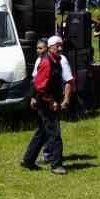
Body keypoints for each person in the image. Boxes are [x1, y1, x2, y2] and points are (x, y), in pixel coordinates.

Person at [20, 35, 73, 172]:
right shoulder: (46, 63)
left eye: (61, 45)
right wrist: (52, 102)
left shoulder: (57, 60)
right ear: (50, 47)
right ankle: (56, 165)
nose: (60, 48)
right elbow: (40, 86)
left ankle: (28, 160)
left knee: (43, 132)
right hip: (45, 103)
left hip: (47, 101)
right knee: (55, 134)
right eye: (57, 46)